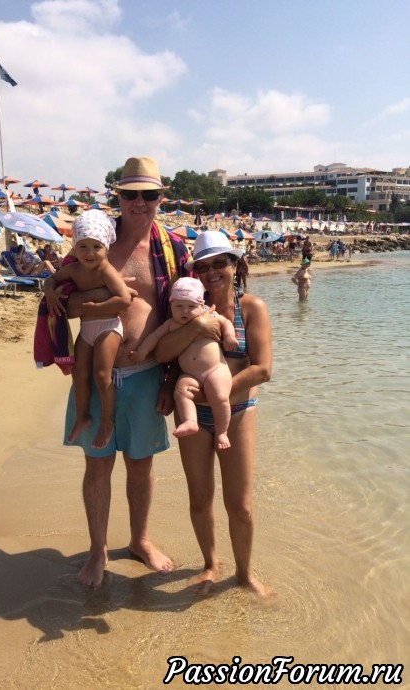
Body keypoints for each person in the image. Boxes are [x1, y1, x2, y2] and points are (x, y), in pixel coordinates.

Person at [43, 156, 190, 588]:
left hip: (147, 373)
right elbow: (62, 301)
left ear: (161, 198)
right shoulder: (96, 241)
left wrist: (171, 380)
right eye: (130, 194)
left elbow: (184, 315)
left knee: (141, 465)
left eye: (149, 194)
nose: (139, 202)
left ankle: (140, 540)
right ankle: (98, 550)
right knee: (97, 466)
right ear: (119, 197)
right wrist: (92, 304)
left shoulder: (173, 248)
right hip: (95, 372)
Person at [153, 231, 272, 596]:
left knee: (240, 506)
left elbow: (262, 369)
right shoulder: (185, 308)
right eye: (202, 267)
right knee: (200, 497)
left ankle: (244, 575)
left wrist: (214, 395)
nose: (211, 272)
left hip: (237, 412)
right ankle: (210, 565)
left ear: (235, 264)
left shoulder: (251, 307)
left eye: (220, 263)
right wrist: (194, 327)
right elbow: (163, 354)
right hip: (192, 417)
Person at [49, 210, 132, 449]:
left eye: (97, 247)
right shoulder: (74, 270)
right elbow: (51, 279)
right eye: (83, 247)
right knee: (79, 374)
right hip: (87, 328)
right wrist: (50, 293)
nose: (90, 253)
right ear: (74, 248)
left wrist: (96, 307)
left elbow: (124, 299)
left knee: (102, 375)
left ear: (106, 248)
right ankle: (82, 416)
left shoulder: (106, 270)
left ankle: (107, 421)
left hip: (108, 326)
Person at [129, 277, 237, 450]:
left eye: (191, 307)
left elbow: (225, 323)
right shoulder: (171, 324)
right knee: (181, 391)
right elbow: (153, 337)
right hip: (190, 374)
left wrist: (230, 337)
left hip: (215, 369)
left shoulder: (209, 315)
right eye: (178, 306)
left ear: (201, 305)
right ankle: (190, 421)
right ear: (171, 305)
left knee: (220, 397)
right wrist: (142, 352)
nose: (184, 311)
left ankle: (222, 431)